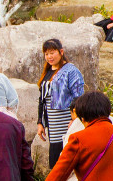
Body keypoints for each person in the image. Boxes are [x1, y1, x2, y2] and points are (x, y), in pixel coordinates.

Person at [37, 38, 86, 168]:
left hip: (65, 121)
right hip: (52, 124)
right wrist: (40, 122)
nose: (49, 56)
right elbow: (42, 99)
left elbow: (78, 97)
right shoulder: (47, 72)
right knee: (54, 157)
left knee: (64, 156)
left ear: (61, 52)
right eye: (46, 54)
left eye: (52, 52)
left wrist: (74, 119)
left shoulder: (71, 71)